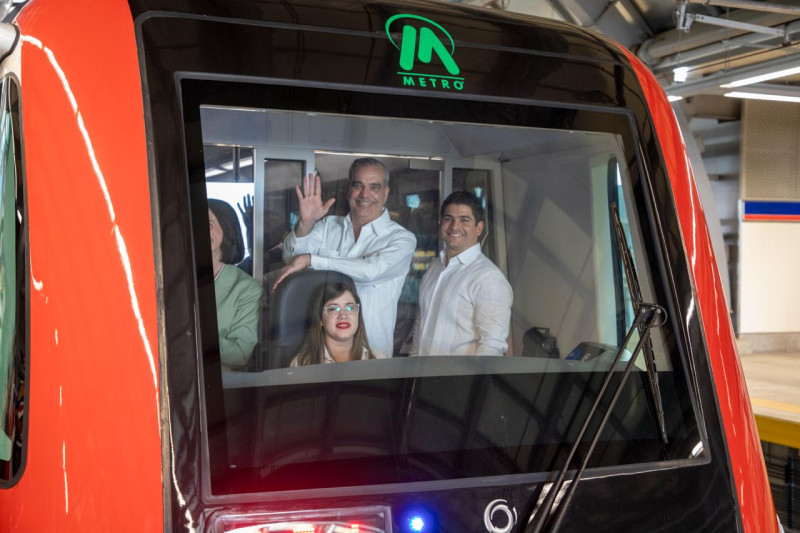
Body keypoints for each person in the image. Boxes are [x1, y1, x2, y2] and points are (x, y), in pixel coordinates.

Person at [274, 158, 416, 356]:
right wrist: (306, 223)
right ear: (349, 190)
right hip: (321, 351)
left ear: (385, 193)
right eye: (358, 185)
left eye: (374, 187)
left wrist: (313, 260)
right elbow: (292, 258)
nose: (364, 194)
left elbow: (370, 271)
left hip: (372, 353)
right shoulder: (328, 226)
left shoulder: (402, 239)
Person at [411, 191, 513, 356]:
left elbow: (492, 346)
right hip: (422, 370)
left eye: (464, 220)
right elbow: (421, 323)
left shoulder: (489, 278)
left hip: (460, 373)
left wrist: (471, 375)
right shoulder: (435, 267)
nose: (454, 226)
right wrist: (414, 361)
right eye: (448, 219)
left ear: (479, 228)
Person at [208, 199, 264, 370]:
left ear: (227, 229)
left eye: (209, 224)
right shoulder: (173, 275)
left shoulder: (247, 289)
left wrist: (188, 341)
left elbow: (240, 353)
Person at [291, 280, 383, 366]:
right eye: (333, 309)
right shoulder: (302, 363)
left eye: (350, 308)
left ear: (358, 317)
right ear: (320, 320)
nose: (343, 315)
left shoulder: (379, 360)